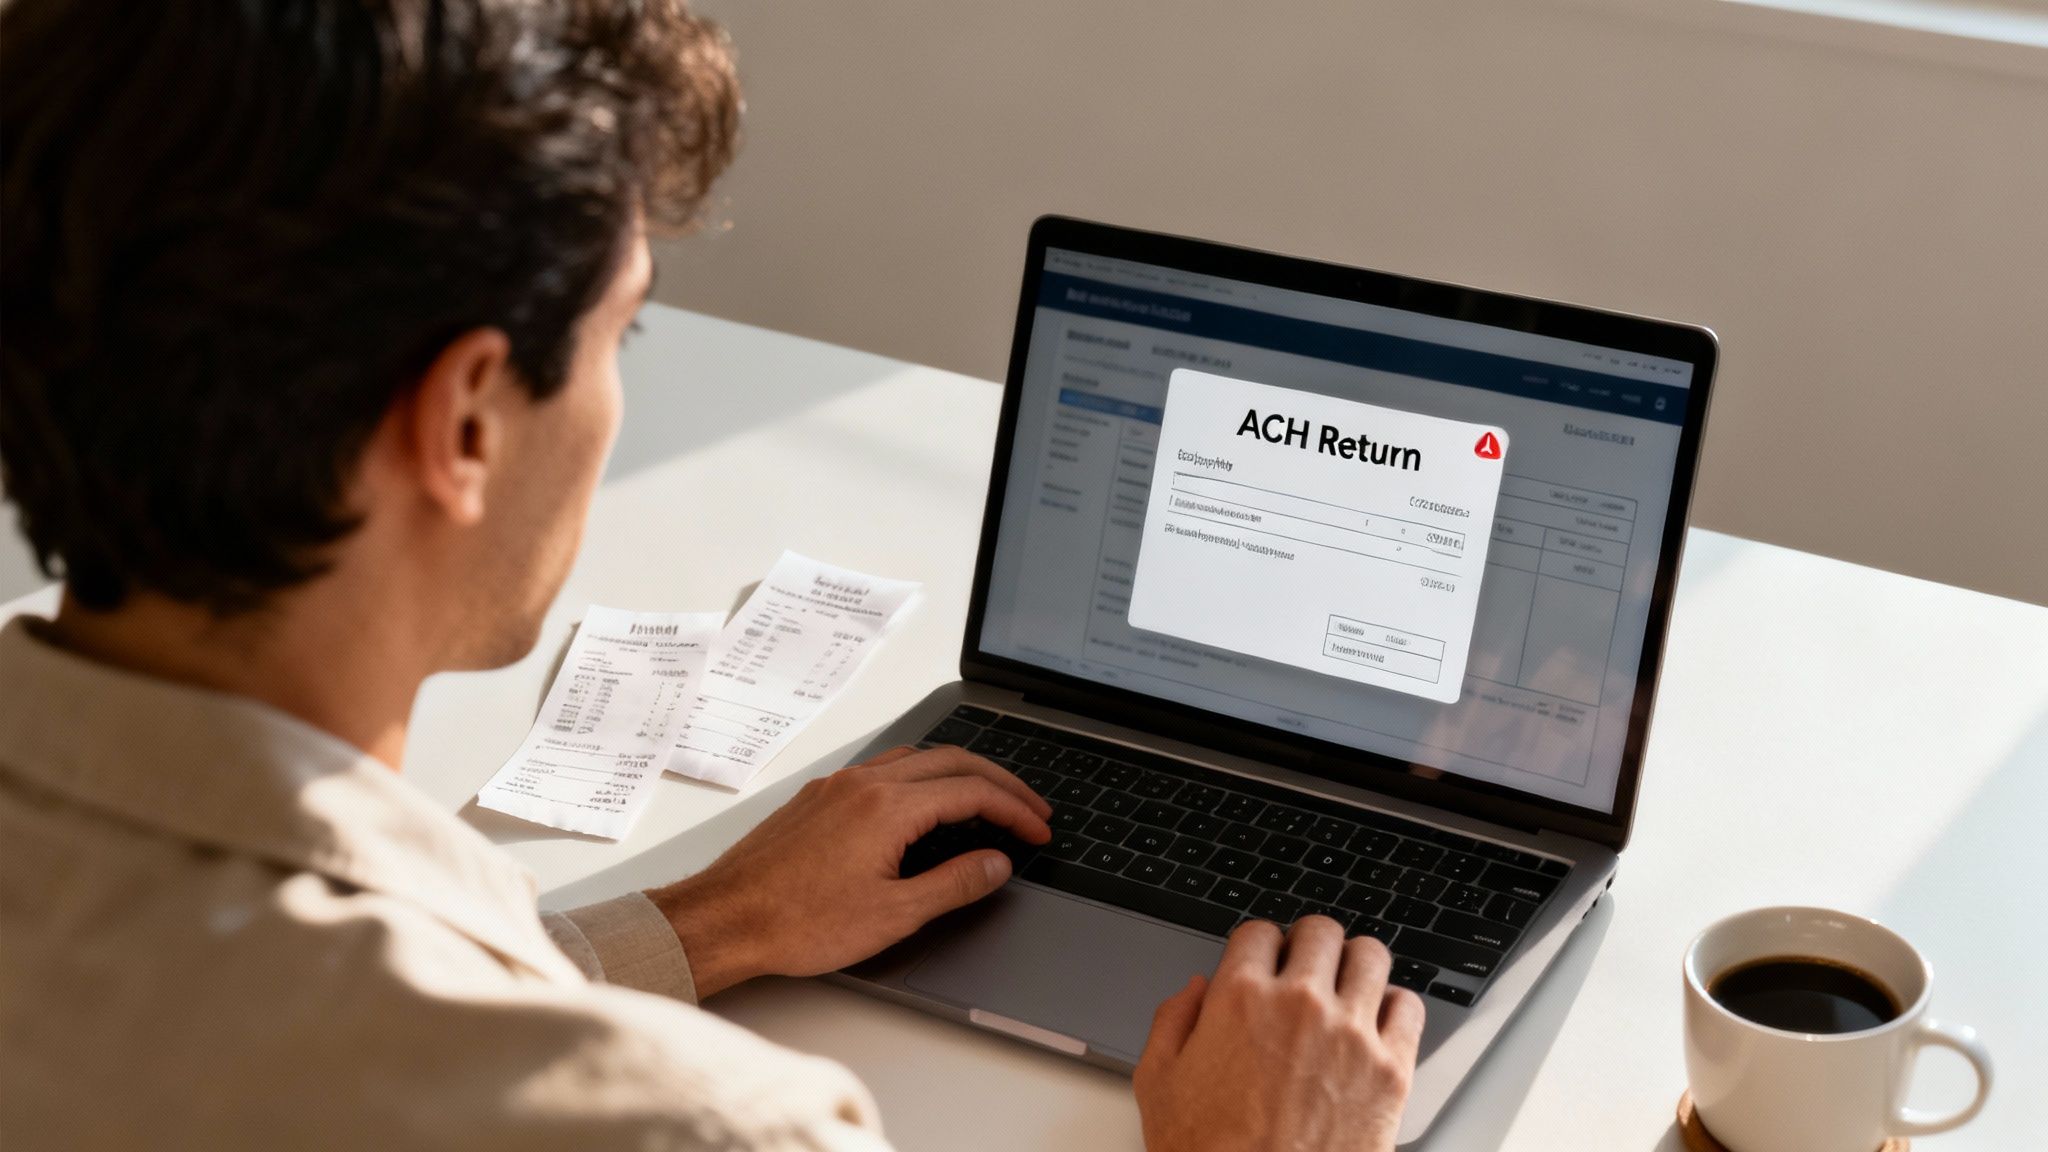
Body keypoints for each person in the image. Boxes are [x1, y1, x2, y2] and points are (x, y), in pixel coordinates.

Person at [0, 1, 1424, 1148]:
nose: (618, 400)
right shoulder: (702, 1132)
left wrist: (707, 920)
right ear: (468, 422)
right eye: (625, 331)